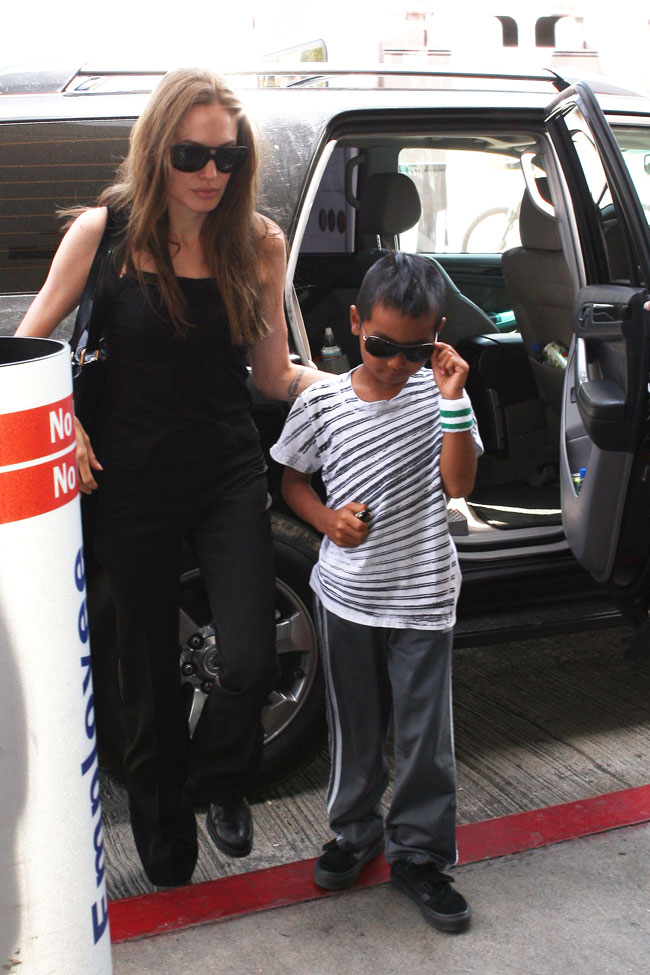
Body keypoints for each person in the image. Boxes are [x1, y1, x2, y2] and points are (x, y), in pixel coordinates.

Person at [16, 67, 323, 890]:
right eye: (192, 153)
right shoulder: (103, 233)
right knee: (146, 685)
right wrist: (65, 420)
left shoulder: (257, 241)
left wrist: (357, 388)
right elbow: (26, 347)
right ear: (158, 150)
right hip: (130, 481)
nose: (211, 172)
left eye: (229, 155)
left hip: (225, 473)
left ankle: (221, 780)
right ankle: (163, 823)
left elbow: (271, 374)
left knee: (252, 662)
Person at [270, 252, 483, 932]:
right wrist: (327, 519)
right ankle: (355, 831)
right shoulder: (324, 400)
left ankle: (419, 852)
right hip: (347, 598)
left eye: (415, 350)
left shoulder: (439, 397)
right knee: (355, 724)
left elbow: (461, 484)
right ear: (356, 323)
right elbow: (291, 481)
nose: (394, 363)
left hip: (422, 596)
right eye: (380, 346)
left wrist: (449, 396)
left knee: (426, 735)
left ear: (439, 337)